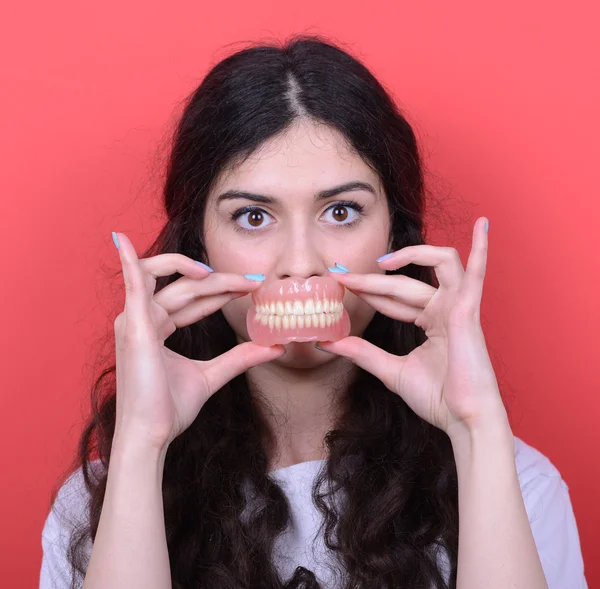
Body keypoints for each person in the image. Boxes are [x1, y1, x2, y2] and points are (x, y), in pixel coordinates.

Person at [39, 35, 588, 589]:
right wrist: (142, 444)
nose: (300, 264)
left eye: (342, 211)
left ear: (396, 234)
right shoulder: (94, 511)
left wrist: (475, 431)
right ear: (198, 243)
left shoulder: (516, 485)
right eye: (253, 217)